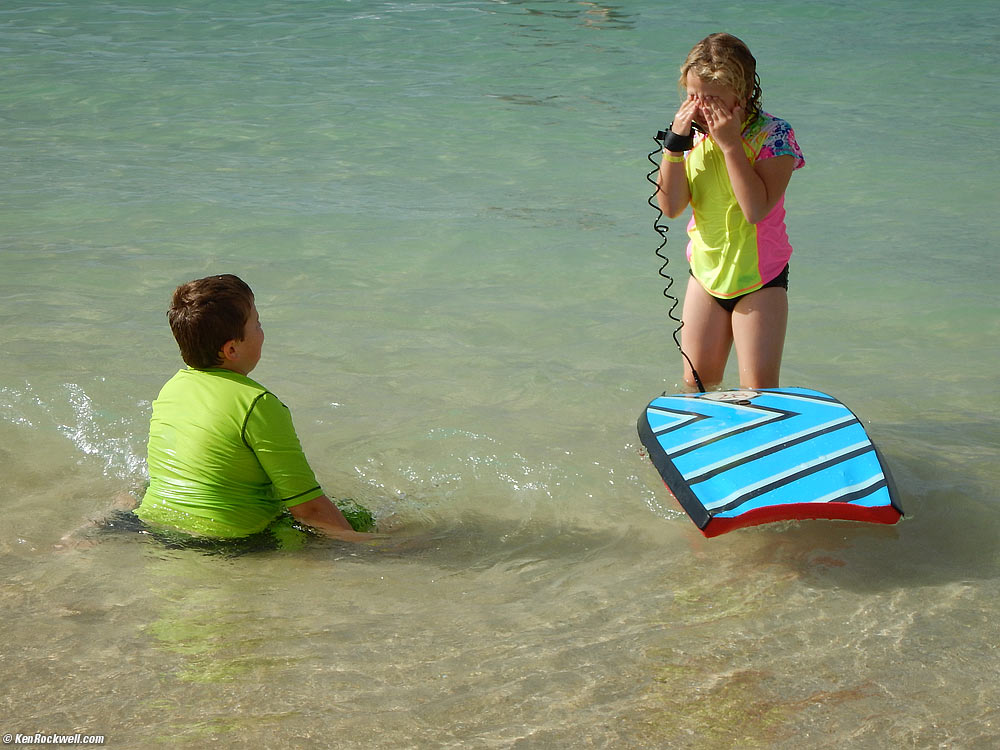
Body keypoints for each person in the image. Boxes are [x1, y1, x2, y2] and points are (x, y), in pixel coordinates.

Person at [133, 274, 373, 543]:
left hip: (156, 526)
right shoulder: (257, 403)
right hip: (230, 543)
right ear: (232, 349)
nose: (262, 330)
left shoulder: (172, 388)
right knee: (361, 517)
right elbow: (309, 509)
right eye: (257, 323)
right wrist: (378, 548)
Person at [655, 33, 804, 390]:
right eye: (693, 97)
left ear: (744, 93)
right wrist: (674, 149)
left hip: (759, 280)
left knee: (759, 389)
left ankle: (765, 441)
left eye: (713, 100)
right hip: (705, 275)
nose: (701, 108)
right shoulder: (693, 137)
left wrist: (731, 144)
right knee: (696, 381)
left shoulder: (774, 136)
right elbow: (672, 207)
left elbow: (755, 209)